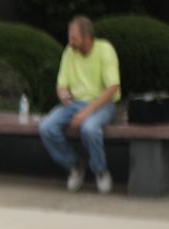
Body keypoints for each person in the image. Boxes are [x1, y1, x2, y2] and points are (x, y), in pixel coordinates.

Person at [40, 16, 122, 192]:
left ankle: (101, 171)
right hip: (74, 104)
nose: (70, 42)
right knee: (46, 126)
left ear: (88, 38)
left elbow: (113, 87)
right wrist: (62, 93)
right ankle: (75, 165)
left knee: (89, 128)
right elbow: (61, 84)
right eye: (69, 37)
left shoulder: (105, 50)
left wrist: (87, 112)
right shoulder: (69, 52)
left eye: (74, 38)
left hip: (102, 104)